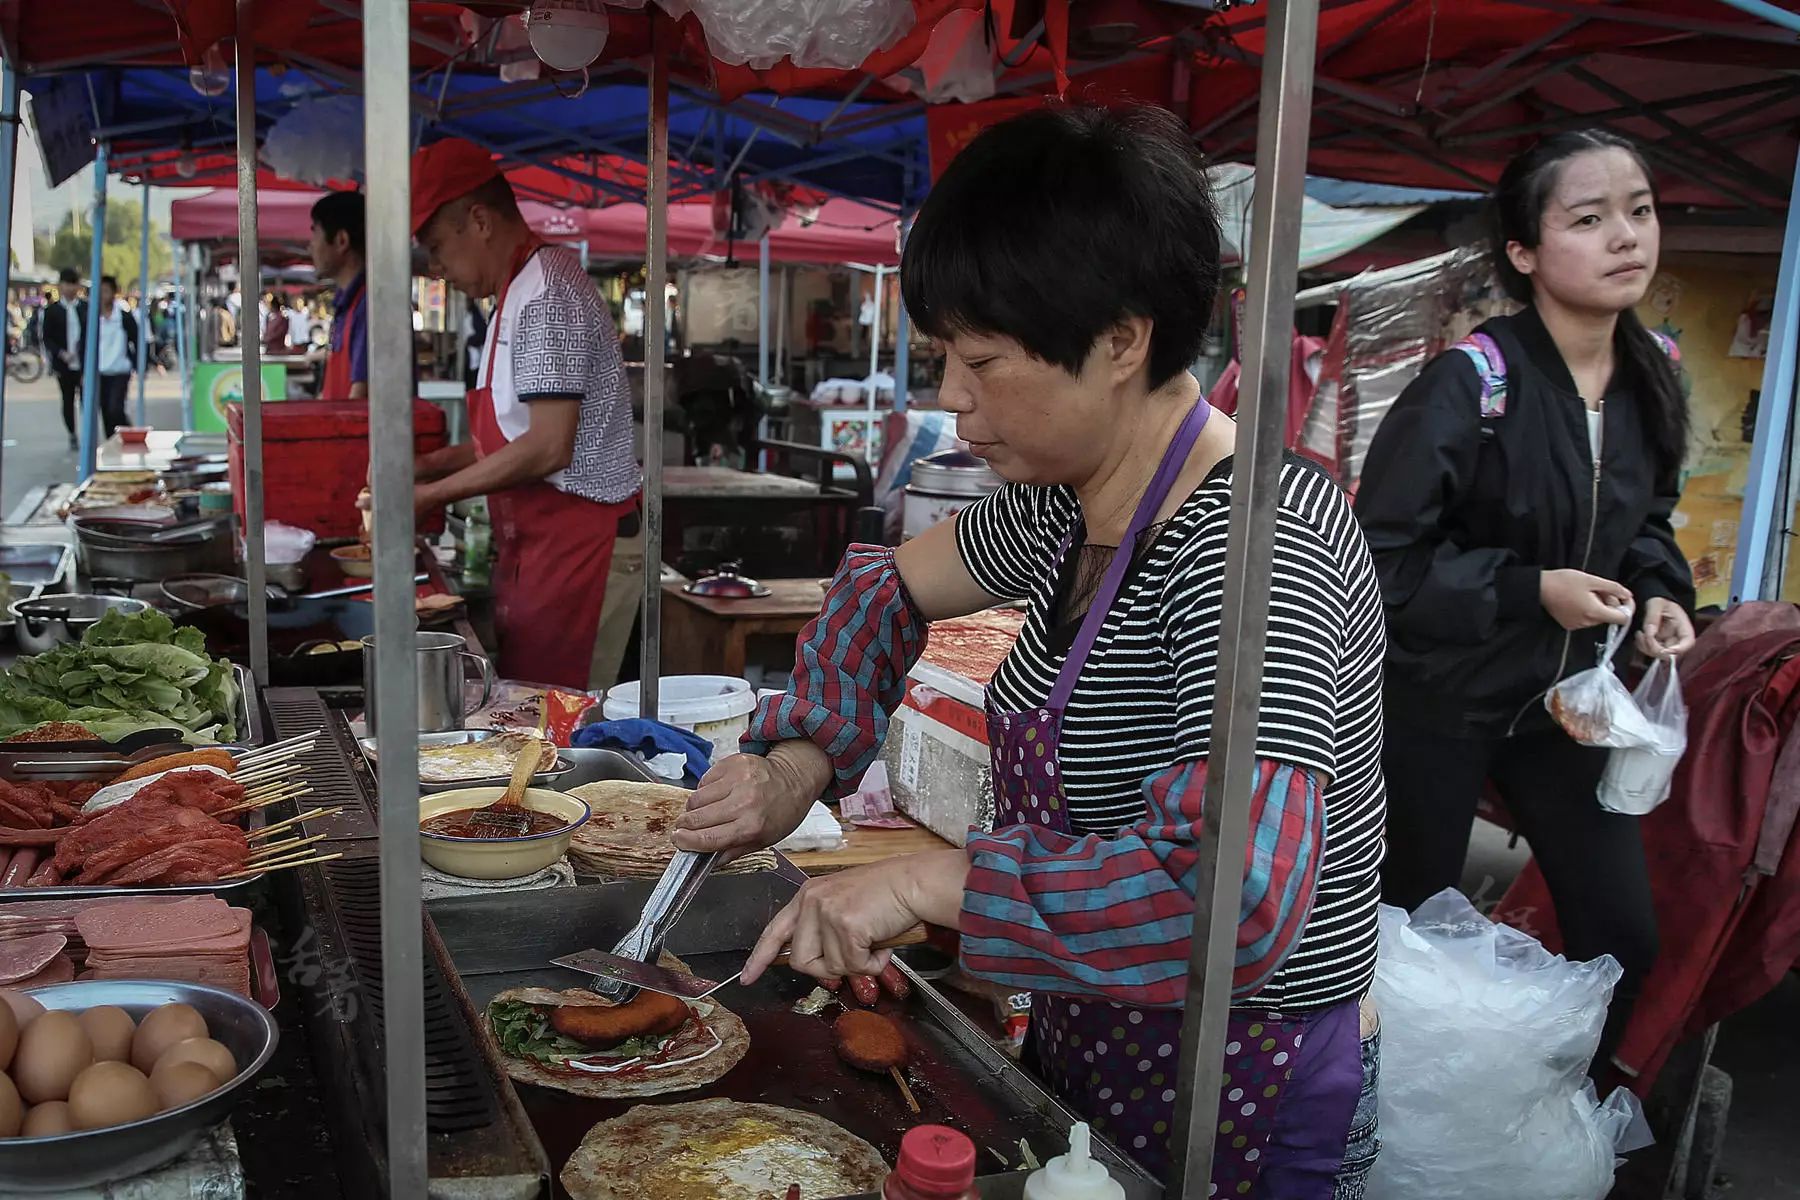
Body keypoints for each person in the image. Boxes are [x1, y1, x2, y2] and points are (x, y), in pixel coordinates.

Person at [672, 106, 1386, 1194]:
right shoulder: (1069, 508)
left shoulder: (1258, 550)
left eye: (981, 360)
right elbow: (883, 593)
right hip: (1088, 1019)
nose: (951, 400)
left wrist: (926, 885)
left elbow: (1234, 897)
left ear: (1119, 339)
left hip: (1238, 1065)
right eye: (943, 358)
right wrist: (795, 761)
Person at [1352, 130, 1696, 1074]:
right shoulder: (1473, 383)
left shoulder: (1653, 370)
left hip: (1565, 710)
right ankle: (1379, 1130)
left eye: (1640, 209)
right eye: (1589, 219)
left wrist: (1664, 592)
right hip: (1436, 701)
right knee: (1403, 943)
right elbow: (1380, 559)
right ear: (1523, 252)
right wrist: (1527, 589)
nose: (1626, 236)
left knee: (1622, 937)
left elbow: (1647, 521)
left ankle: (1546, 1122)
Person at [408, 138, 641, 689]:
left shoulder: (547, 293)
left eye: (438, 247)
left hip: (581, 540)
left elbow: (547, 447)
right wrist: (427, 466)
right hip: (540, 545)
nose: (438, 269)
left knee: (559, 718)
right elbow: (510, 436)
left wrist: (429, 495)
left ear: (480, 221)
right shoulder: (513, 296)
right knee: (531, 711)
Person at [308, 190, 369, 400]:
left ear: (341, 240)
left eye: (315, 234)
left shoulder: (370, 306)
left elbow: (360, 396)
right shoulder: (347, 305)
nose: (311, 246)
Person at [41, 268, 86, 449]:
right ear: (60, 286)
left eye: (73, 284)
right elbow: (47, 337)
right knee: (67, 400)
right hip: (64, 363)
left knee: (86, 399)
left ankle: (87, 431)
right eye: (66, 284)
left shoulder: (85, 308)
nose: (69, 288)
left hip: (83, 363)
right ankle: (72, 433)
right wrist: (61, 353)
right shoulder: (52, 311)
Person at [93, 276, 140, 438]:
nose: (102, 295)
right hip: (100, 371)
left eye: (106, 291)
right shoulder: (92, 318)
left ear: (113, 293)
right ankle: (111, 439)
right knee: (105, 410)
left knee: (115, 408)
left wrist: (137, 364)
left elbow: (137, 339)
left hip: (120, 369)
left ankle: (128, 432)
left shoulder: (124, 317)